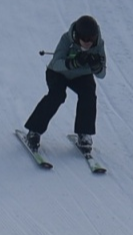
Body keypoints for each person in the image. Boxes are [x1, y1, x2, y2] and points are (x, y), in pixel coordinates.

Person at [22, 15, 106, 154]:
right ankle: (34, 130)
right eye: (85, 39)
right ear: (77, 35)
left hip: (81, 76)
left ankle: (84, 133)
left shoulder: (99, 44)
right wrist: (73, 62)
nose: (88, 43)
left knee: (89, 94)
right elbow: (56, 63)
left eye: (91, 38)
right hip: (58, 73)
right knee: (57, 95)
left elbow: (102, 74)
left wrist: (96, 66)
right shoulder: (67, 39)